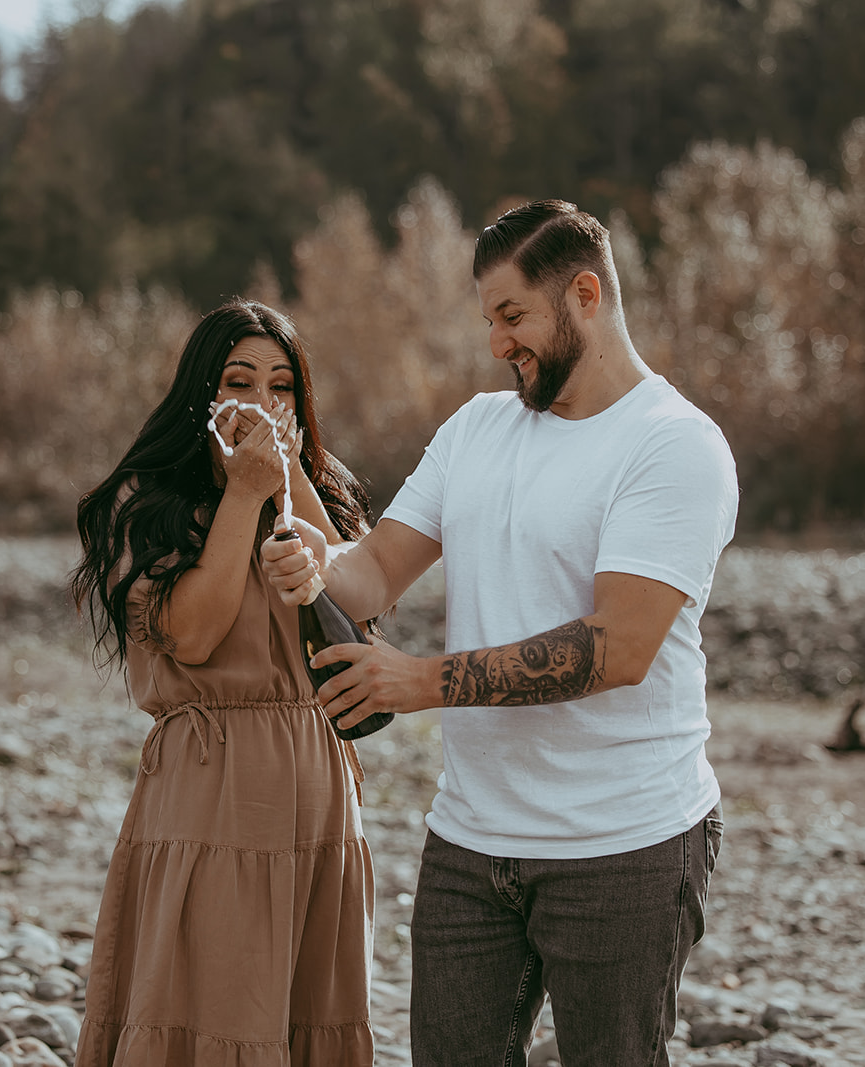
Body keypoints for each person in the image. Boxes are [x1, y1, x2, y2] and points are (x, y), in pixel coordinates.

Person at [261, 200, 738, 1066]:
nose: (497, 342)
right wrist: (304, 538)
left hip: (624, 843)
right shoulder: (476, 428)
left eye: (513, 315)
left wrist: (421, 681)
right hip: (473, 841)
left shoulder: (673, 446)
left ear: (585, 294)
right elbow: (368, 573)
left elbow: (618, 647)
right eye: (488, 320)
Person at [70, 299, 376, 1066]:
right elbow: (194, 635)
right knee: (212, 1003)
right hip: (213, 783)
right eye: (239, 381)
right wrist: (243, 493)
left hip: (319, 779)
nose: (262, 403)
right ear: (202, 394)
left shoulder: (317, 493)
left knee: (312, 1013)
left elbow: (360, 608)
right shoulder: (148, 505)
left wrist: (291, 484)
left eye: (281, 387)